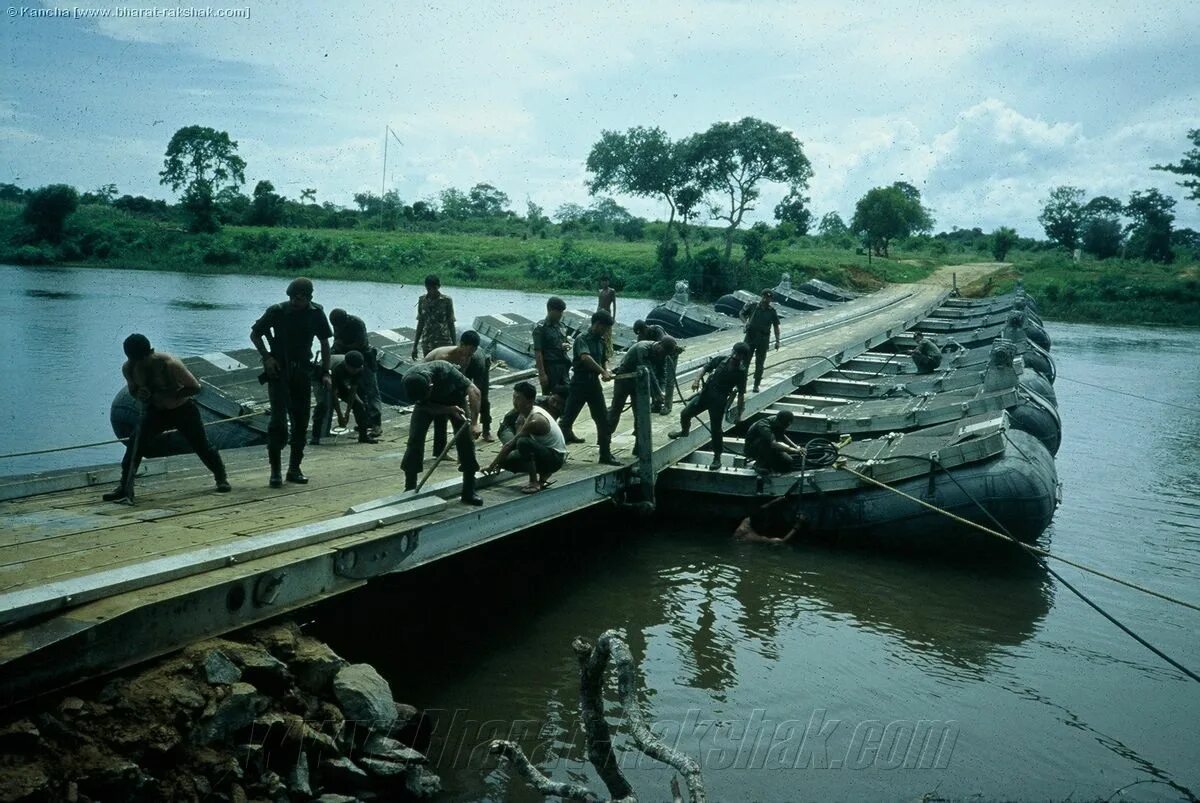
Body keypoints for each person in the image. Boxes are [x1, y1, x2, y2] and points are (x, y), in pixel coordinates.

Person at [102, 334, 229, 502]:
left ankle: (221, 479)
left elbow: (195, 388)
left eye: (143, 359)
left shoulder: (169, 364)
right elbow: (133, 390)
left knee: (202, 446)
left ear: (150, 352)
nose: (140, 363)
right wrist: (138, 394)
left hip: (182, 409)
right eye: (136, 360)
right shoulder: (129, 368)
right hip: (155, 412)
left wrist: (170, 393)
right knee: (135, 446)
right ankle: (124, 486)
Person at [250, 277, 333, 488]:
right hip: (279, 372)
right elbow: (255, 334)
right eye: (294, 297)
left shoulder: (316, 313)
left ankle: (294, 468)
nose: (297, 301)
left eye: (302, 297)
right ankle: (275, 472)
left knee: (301, 420)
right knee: (278, 422)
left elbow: (324, 342)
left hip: (303, 372)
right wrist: (267, 357)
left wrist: (326, 371)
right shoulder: (277, 311)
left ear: (309, 297)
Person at [400, 360, 483, 505]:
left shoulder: (446, 370)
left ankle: (469, 490)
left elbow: (474, 391)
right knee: (415, 440)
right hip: (428, 406)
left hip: (455, 399)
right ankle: (409, 488)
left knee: (466, 441)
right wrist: (447, 410)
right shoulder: (409, 380)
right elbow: (425, 406)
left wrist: (475, 423)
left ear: (431, 385)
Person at [668, 342, 750, 470]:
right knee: (685, 413)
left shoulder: (741, 372)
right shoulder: (721, 360)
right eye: (734, 352)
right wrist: (696, 380)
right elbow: (705, 368)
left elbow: (740, 394)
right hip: (706, 394)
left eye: (738, 354)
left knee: (716, 430)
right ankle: (684, 431)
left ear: (743, 357)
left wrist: (739, 414)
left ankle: (717, 458)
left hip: (719, 399)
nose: (735, 356)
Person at [558, 310, 620, 466]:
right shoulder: (582, 339)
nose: (606, 331)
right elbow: (585, 358)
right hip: (579, 384)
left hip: (593, 385)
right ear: (598, 324)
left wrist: (607, 370)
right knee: (567, 420)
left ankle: (605, 454)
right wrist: (602, 371)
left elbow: (603, 360)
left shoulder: (600, 341)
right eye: (605, 328)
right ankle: (556, 453)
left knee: (603, 420)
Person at [486, 381, 567, 494]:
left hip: (555, 459)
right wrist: (498, 462)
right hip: (548, 452)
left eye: (518, 398)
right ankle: (543, 474)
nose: (514, 401)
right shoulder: (525, 413)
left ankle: (534, 482)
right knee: (507, 460)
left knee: (523, 443)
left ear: (529, 402)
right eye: (514, 397)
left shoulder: (535, 420)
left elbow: (512, 443)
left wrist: (491, 465)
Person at [424, 330, 494, 454]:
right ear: (461, 345)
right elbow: (441, 385)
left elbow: (473, 389)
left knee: (482, 397)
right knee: (441, 411)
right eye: (469, 352)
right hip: (432, 378)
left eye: (472, 353)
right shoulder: (444, 357)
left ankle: (485, 430)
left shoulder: (472, 357)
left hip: (478, 368)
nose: (469, 355)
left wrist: (474, 421)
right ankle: (440, 450)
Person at [607, 337, 675, 439]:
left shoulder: (663, 354)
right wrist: (657, 392)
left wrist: (662, 391)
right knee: (616, 410)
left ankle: (639, 445)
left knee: (640, 413)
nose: (663, 355)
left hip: (640, 380)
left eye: (666, 354)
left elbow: (662, 375)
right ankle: (605, 441)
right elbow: (649, 371)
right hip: (625, 378)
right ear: (659, 344)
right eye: (663, 352)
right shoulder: (642, 348)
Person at [328, 307, 382, 437]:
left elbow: (361, 344)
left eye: (339, 325)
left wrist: (343, 346)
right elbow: (336, 340)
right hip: (349, 359)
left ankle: (376, 424)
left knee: (371, 391)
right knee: (359, 391)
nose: (338, 327)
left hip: (364, 358)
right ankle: (365, 421)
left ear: (345, 319)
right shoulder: (337, 323)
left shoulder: (357, 323)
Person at [311, 350, 378, 445]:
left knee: (360, 404)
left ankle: (363, 436)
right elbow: (334, 394)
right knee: (322, 405)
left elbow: (352, 391)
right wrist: (339, 416)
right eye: (353, 369)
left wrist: (347, 414)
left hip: (341, 380)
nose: (355, 371)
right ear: (346, 365)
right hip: (321, 378)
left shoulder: (359, 369)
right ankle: (315, 437)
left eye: (357, 369)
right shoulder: (338, 368)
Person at [740, 289, 781, 392]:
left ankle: (756, 385)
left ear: (771, 299)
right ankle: (742, 385)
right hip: (750, 337)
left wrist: (777, 341)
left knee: (760, 364)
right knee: (745, 362)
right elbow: (741, 313)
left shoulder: (772, 311)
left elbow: (776, 326)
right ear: (761, 296)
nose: (765, 299)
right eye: (764, 296)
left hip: (763, 339)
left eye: (768, 297)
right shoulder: (753, 306)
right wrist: (745, 323)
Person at [532, 296, 572, 393]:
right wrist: (542, 374)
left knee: (567, 394)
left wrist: (565, 346)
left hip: (563, 367)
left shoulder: (561, 326)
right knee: (550, 398)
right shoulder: (541, 328)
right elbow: (538, 352)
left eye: (562, 312)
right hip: (550, 368)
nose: (561, 314)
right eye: (558, 312)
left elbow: (562, 342)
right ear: (550, 310)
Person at [411, 274, 456, 358]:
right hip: (427, 343)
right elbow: (420, 324)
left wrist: (454, 345)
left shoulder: (446, 301)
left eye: (433, 288)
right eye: (428, 289)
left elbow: (451, 323)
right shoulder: (422, 300)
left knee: (443, 368)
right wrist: (415, 346)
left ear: (438, 287)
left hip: (443, 343)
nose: (431, 291)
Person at [734, 496, 805, 543]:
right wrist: (798, 525)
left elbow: (760, 510)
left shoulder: (747, 520)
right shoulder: (754, 537)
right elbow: (782, 541)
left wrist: (776, 501)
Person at [597, 276, 617, 360]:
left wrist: (613, 317)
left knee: (607, 334)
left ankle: (608, 352)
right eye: (603, 281)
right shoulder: (600, 291)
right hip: (600, 313)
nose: (604, 283)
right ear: (601, 282)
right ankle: (601, 351)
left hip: (607, 314)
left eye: (606, 281)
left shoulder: (611, 291)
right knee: (599, 332)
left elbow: (614, 305)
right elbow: (599, 304)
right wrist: (596, 315)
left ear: (608, 282)